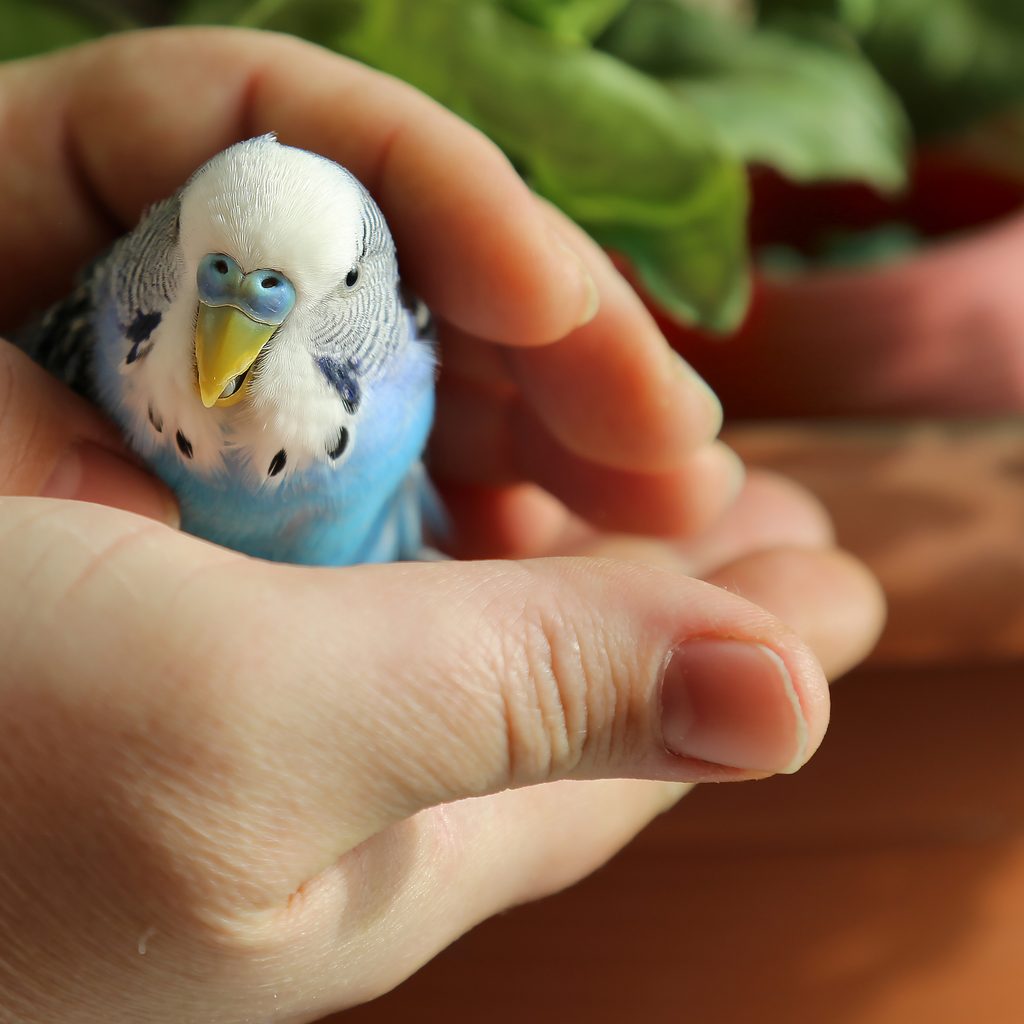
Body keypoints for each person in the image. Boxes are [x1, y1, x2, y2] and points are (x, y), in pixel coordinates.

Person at [0, 28, 884, 1022]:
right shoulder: (99, 335)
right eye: (213, 275)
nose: (237, 316)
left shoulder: (399, 370)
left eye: (286, 294)